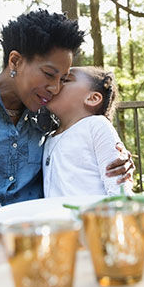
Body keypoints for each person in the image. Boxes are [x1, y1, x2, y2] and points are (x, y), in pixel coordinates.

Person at [0, 9, 134, 219]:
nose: (55, 88)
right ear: (15, 61)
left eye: (63, 79)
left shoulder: (49, 118)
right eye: (49, 74)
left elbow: (82, 138)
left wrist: (116, 158)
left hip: (44, 238)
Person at [42, 66, 133, 197]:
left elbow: (119, 187)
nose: (55, 85)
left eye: (65, 80)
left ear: (92, 98)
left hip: (95, 216)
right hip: (59, 217)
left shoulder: (97, 125)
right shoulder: (49, 138)